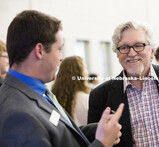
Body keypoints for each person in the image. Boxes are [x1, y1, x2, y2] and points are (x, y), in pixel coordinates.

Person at [0, 10, 124, 147]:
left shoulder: (36, 91)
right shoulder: (19, 116)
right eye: (59, 49)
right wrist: (102, 143)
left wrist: (98, 131)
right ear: (40, 51)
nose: (61, 57)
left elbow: (58, 133)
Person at [52, 56, 90, 126]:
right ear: (80, 74)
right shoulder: (87, 99)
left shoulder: (53, 98)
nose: (87, 72)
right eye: (85, 68)